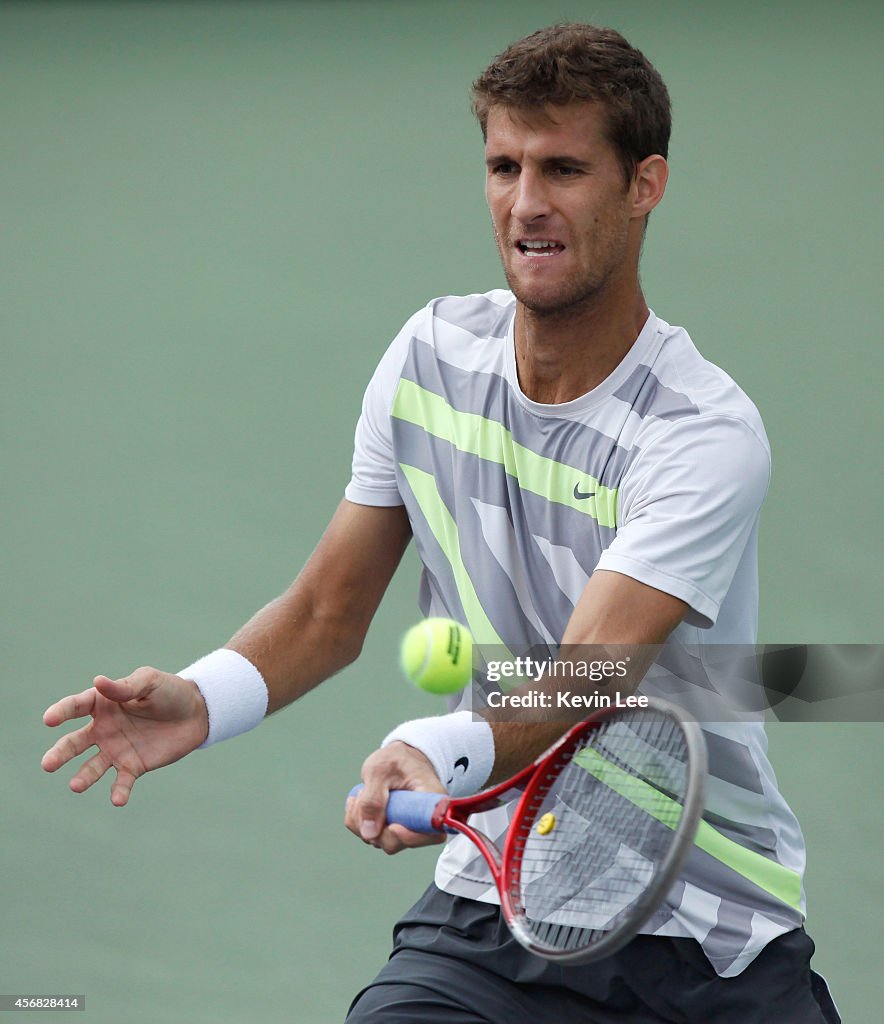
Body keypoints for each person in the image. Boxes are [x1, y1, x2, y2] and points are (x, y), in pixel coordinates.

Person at [42, 23, 839, 1024]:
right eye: (502, 166)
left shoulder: (700, 430)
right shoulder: (426, 358)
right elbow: (329, 607)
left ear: (644, 185)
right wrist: (205, 698)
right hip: (493, 903)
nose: (524, 202)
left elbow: (590, 666)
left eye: (562, 169)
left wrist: (441, 748)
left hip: (706, 932)